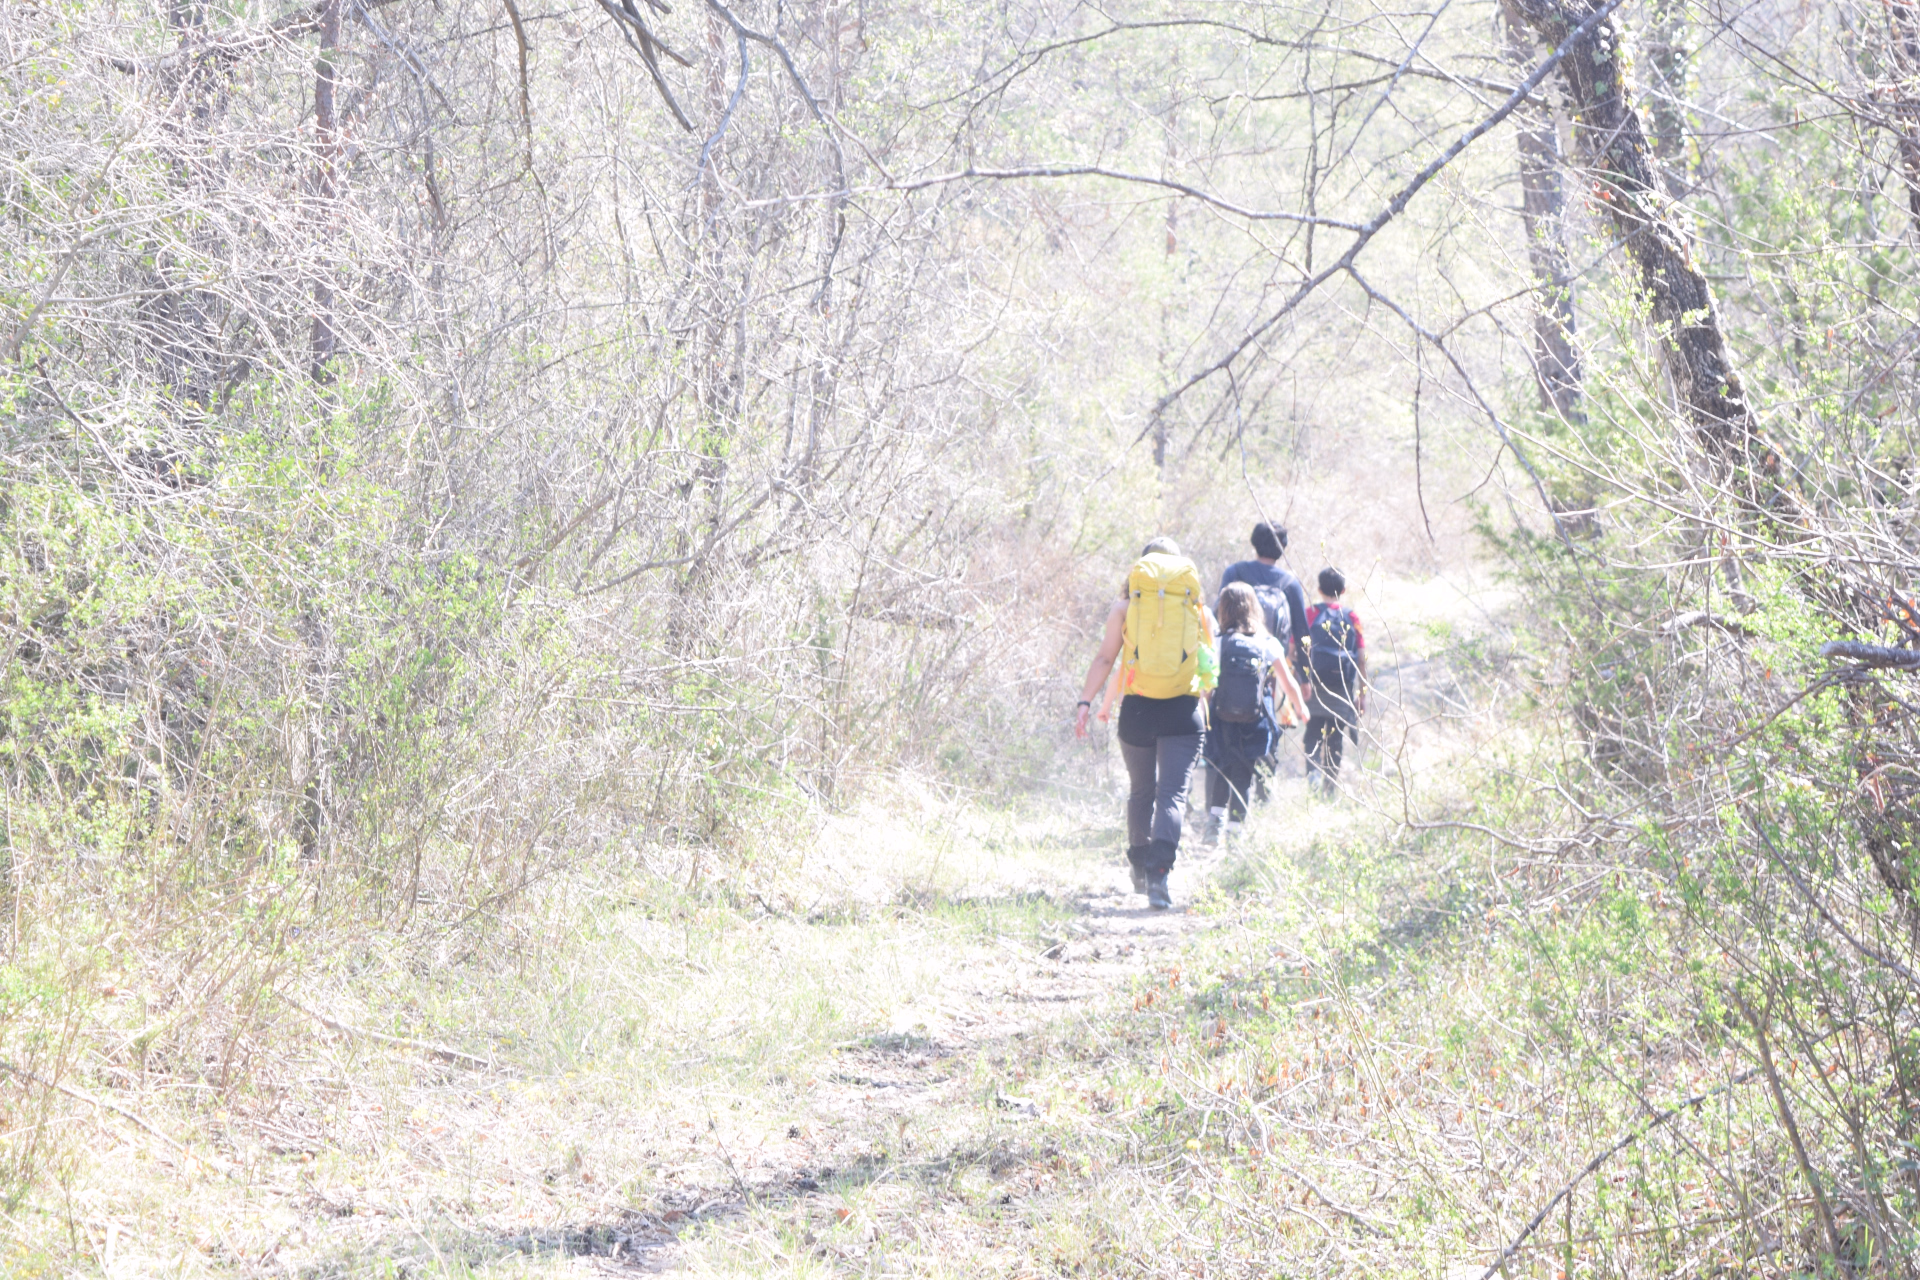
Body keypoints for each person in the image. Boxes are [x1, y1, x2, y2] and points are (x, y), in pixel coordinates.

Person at [1074, 537, 1213, 910]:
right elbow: (1209, 667)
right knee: (1172, 795)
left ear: (1142, 570)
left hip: (1138, 711)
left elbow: (1106, 659)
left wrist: (1086, 701)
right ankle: (1159, 876)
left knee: (1141, 792)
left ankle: (1138, 866)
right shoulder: (1197, 608)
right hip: (1183, 712)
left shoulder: (1124, 607)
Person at [1203, 583, 1308, 844]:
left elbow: (1207, 685)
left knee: (1221, 767)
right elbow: (1288, 682)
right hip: (1255, 720)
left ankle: (1214, 822)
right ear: (1255, 609)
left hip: (1222, 718)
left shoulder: (1218, 641)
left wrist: (1201, 712)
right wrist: (1300, 707)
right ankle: (1235, 834)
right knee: (1243, 775)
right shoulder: (1267, 643)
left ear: (1223, 609)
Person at [1219, 521, 1309, 798]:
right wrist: (1304, 679)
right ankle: (1262, 795)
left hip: (1230, 671)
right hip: (1273, 674)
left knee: (1225, 735)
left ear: (1254, 542)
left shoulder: (1234, 573)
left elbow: (1218, 620)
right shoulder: (1289, 584)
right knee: (1269, 732)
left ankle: (1221, 802)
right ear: (1282, 549)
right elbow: (1302, 634)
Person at [1303, 567, 1368, 794]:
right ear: (1343, 590)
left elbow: (1295, 649)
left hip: (1314, 687)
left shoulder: (1310, 613)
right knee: (1335, 739)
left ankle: (1312, 777)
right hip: (1341, 689)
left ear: (1319, 590)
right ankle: (1329, 789)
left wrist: (1299, 682)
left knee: (1312, 733)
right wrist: (1362, 696)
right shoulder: (1351, 617)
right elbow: (1361, 659)